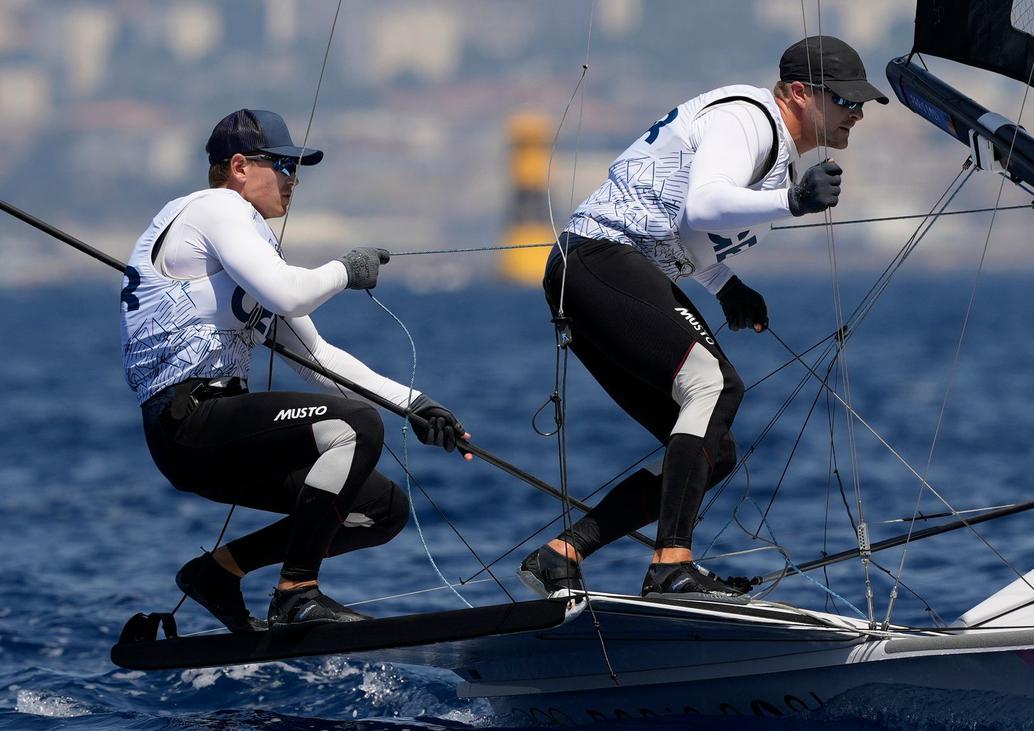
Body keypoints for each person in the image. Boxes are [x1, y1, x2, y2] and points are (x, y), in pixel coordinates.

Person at [518, 36, 887, 601]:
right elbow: (705, 205)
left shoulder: (773, 144)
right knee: (715, 386)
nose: (857, 114)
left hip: (605, 271)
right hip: (596, 259)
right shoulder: (747, 121)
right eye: (845, 100)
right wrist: (793, 201)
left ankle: (560, 555)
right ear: (798, 93)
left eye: (861, 104)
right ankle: (671, 568)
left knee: (713, 449)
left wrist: (724, 284)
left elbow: (685, 233)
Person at [120, 109, 468, 631]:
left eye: (296, 169)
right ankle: (297, 595)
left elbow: (318, 359)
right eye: (282, 165)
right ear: (239, 167)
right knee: (353, 426)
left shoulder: (245, 246)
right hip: (186, 423)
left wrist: (415, 404)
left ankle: (217, 573)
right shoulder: (215, 209)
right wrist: (345, 270)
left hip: (221, 433)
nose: (293, 179)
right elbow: (287, 291)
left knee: (382, 508)